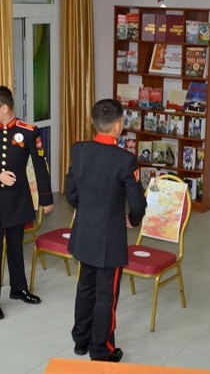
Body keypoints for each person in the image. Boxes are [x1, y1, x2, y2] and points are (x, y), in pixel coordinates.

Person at [66, 99, 147, 363]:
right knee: (106, 296)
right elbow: (137, 204)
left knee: (85, 287)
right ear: (119, 126)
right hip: (109, 239)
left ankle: (80, 340)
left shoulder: (78, 150)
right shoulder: (126, 160)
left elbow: (71, 193)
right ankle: (102, 349)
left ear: (93, 122)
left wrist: (87, 210)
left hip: (85, 233)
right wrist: (132, 220)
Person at [0, 85, 53, 320]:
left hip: (18, 199)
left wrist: (46, 199)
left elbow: (40, 166)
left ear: (5, 108)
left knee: (17, 247)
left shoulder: (28, 132)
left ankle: (19, 289)